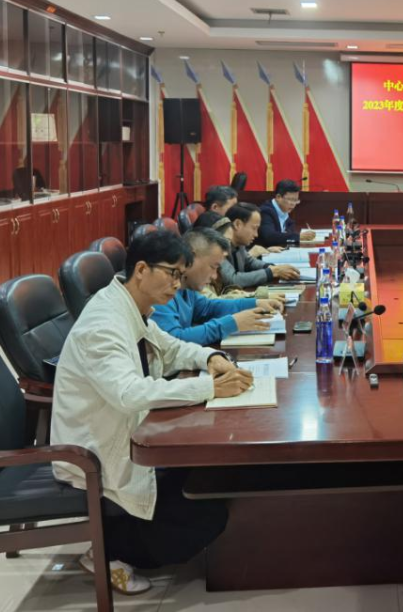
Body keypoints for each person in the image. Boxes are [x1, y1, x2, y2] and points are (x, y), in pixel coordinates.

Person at [51, 232, 254, 593]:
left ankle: (128, 534)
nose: (177, 285)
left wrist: (210, 358)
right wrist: (209, 388)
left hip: (133, 433)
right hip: (95, 454)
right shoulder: (103, 324)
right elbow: (129, 393)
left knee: (209, 478)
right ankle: (107, 550)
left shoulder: (131, 305)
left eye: (181, 275)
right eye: (172, 274)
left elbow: (170, 347)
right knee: (207, 517)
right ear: (142, 269)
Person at [152, 228, 284, 346]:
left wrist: (255, 303)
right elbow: (174, 340)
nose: (214, 276)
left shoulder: (187, 289)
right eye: (213, 267)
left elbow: (209, 308)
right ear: (191, 257)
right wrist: (232, 323)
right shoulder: (161, 290)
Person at [219, 202, 301, 288]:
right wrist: (271, 272)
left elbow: (249, 262)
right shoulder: (218, 245)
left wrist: (271, 267)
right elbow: (233, 280)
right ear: (237, 224)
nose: (256, 234)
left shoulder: (239, 242)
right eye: (254, 228)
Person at [258, 179, 317, 248]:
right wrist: (298, 236)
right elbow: (269, 236)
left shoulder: (285, 214)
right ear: (278, 197)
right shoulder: (266, 212)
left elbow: (287, 235)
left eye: (296, 200)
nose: (293, 204)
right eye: (290, 199)